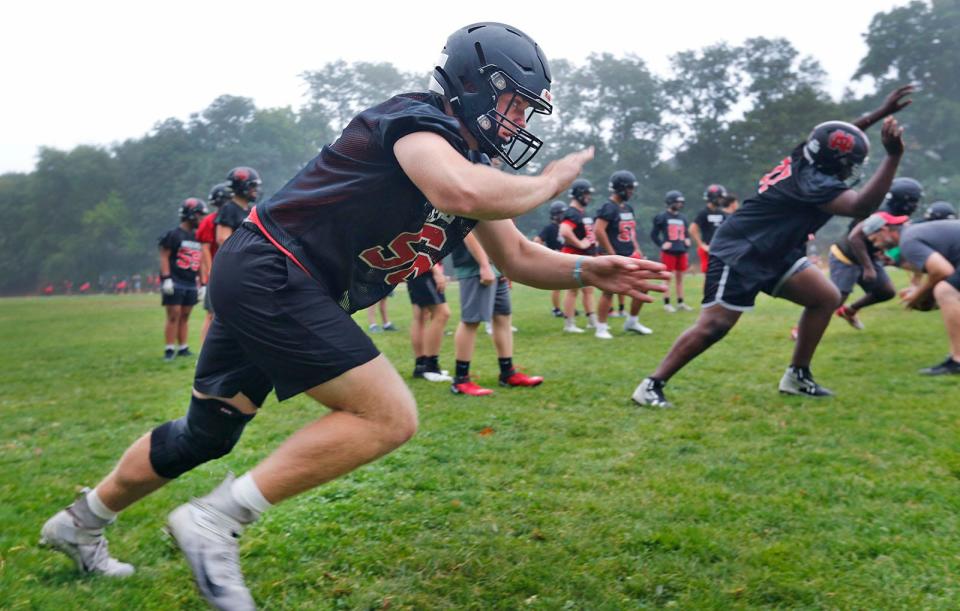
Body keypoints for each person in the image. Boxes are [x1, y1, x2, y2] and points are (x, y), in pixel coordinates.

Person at [40, 22, 666, 610]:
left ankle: (80, 522)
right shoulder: (416, 120)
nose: (521, 120)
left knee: (207, 433)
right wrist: (551, 181)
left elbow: (521, 257)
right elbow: (459, 193)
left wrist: (590, 269)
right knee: (388, 416)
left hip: (272, 278)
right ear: (476, 87)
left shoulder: (474, 165)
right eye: (516, 103)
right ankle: (215, 520)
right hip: (277, 271)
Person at [632, 84, 913, 407]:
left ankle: (797, 375)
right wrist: (894, 156)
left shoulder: (806, 156)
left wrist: (881, 113)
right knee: (715, 325)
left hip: (775, 250)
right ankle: (651, 385)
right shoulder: (814, 183)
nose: (851, 168)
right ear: (834, 162)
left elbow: (833, 137)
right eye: (849, 162)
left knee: (825, 298)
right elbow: (861, 206)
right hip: (743, 249)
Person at [450, 233, 544, 395]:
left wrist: (505, 265)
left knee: (502, 316)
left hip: (496, 266)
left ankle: (508, 373)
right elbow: (467, 230)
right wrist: (484, 264)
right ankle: (460, 380)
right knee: (471, 320)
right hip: (475, 266)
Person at [866, 214, 960, 374]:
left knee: (945, 291)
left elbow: (942, 271)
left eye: (875, 239)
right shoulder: (914, 233)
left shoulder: (908, 240)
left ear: (884, 230)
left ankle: (958, 360)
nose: (877, 246)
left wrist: (916, 297)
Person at [830, 178, 923, 330]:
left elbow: (881, 238)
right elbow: (855, 237)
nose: (916, 205)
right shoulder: (880, 214)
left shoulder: (898, 214)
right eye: (914, 200)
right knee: (835, 298)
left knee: (885, 292)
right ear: (903, 200)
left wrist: (881, 254)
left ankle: (849, 311)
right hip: (846, 257)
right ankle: (801, 330)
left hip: (867, 257)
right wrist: (868, 267)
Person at [593, 170, 652, 338]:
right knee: (609, 290)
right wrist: (612, 254)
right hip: (612, 254)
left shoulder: (628, 207)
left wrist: (637, 248)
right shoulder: (608, 207)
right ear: (621, 188)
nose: (632, 192)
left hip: (628, 253)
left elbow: (630, 231)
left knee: (643, 286)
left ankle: (632, 321)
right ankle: (601, 328)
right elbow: (598, 230)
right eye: (630, 188)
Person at [158, 198, 206, 361]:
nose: (201, 219)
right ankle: (169, 349)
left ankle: (183, 347)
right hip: (175, 279)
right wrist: (166, 278)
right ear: (190, 215)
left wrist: (202, 282)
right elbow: (164, 256)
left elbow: (199, 260)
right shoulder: (174, 235)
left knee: (185, 315)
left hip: (190, 281)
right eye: (199, 215)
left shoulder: (197, 236)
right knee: (174, 314)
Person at [197, 181, 234, 344]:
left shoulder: (234, 218)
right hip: (215, 273)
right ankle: (204, 352)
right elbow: (204, 251)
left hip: (230, 271)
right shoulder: (209, 221)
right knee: (212, 314)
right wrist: (207, 280)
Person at [559, 178, 598, 333]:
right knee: (573, 290)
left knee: (588, 290)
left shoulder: (581, 212)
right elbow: (564, 231)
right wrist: (580, 244)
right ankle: (569, 324)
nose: (589, 197)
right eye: (587, 193)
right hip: (574, 256)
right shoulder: (572, 212)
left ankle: (592, 321)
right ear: (579, 194)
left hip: (585, 256)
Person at [408, 263, 451, 382]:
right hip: (424, 269)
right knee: (442, 314)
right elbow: (420, 246)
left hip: (415, 269)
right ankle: (430, 367)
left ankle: (421, 366)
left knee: (420, 316)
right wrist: (436, 271)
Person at [651, 191, 693, 312]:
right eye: (677, 202)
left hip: (681, 250)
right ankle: (667, 303)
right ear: (670, 202)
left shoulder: (683, 217)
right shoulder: (662, 217)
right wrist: (661, 245)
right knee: (667, 278)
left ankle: (680, 302)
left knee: (680, 279)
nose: (679, 204)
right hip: (669, 252)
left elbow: (685, 234)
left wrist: (687, 240)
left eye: (681, 202)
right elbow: (654, 235)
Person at [533, 200, 567, 317]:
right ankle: (556, 309)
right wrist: (546, 253)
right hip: (555, 258)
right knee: (557, 286)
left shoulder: (565, 227)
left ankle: (568, 308)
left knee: (569, 285)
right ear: (555, 214)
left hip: (565, 257)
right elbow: (537, 241)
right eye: (562, 213)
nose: (564, 216)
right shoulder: (550, 227)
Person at [690, 184, 728, 275]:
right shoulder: (704, 212)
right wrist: (701, 245)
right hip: (708, 248)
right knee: (708, 275)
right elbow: (692, 229)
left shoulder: (721, 213)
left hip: (720, 248)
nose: (721, 200)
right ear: (713, 198)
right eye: (720, 197)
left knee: (719, 274)